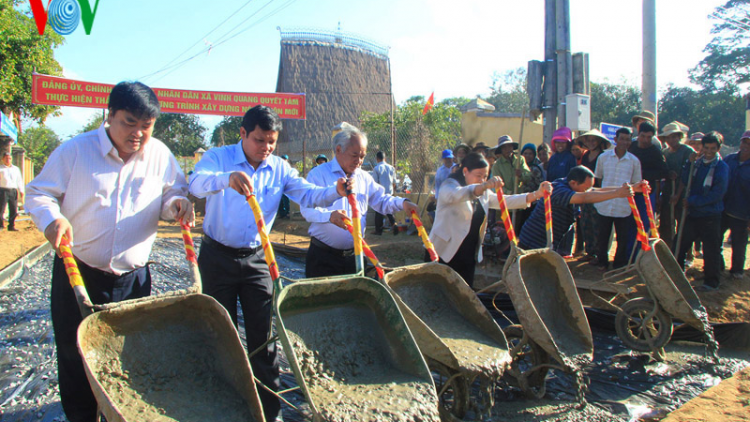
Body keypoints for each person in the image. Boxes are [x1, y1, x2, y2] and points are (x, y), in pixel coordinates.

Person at [25, 81, 195, 422]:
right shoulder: (75, 150)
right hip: (80, 275)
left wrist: (177, 204)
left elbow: (171, 193)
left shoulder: (160, 155)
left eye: (146, 126)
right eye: (129, 123)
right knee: (76, 358)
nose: (137, 134)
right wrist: (52, 220)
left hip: (133, 281)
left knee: (128, 357)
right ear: (110, 115)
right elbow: (39, 193)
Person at [189, 105, 351, 422]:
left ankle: (269, 411)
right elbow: (196, 183)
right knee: (220, 333)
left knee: (263, 337)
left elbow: (307, 194)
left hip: (257, 260)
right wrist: (226, 179)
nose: (266, 148)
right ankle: (224, 406)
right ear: (243, 134)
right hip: (217, 257)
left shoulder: (279, 168)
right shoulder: (219, 158)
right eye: (260, 140)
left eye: (271, 142)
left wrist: (334, 191)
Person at [300, 124, 417, 278]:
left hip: (355, 257)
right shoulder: (318, 174)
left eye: (362, 156)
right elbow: (306, 209)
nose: (359, 161)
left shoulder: (364, 177)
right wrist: (329, 216)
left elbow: (381, 200)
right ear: (338, 150)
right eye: (355, 155)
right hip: (323, 258)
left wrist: (403, 203)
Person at [429, 152, 550, 287]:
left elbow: (503, 201)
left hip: (468, 252)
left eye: (485, 176)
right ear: (465, 171)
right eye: (478, 176)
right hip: (443, 251)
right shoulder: (449, 186)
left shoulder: (483, 191)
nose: (482, 180)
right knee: (438, 292)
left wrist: (535, 195)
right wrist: (483, 186)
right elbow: (459, 194)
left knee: (464, 293)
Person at [518, 165, 637, 254]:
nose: (588, 190)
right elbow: (585, 197)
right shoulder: (557, 190)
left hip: (548, 242)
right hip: (532, 241)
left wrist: (631, 189)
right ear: (573, 183)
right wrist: (617, 194)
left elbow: (594, 191)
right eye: (585, 188)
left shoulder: (570, 185)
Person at [675, 132, 729, 291]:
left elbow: (717, 194)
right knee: (681, 243)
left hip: (710, 215)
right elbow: (685, 180)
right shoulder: (696, 164)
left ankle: (711, 282)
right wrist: (688, 164)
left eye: (713, 148)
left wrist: (692, 201)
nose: (709, 151)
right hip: (693, 214)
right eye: (706, 147)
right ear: (702, 147)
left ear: (718, 148)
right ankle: (677, 274)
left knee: (711, 250)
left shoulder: (721, 167)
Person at [593, 127, 643, 270]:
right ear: (615, 140)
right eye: (622, 139)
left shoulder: (634, 161)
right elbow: (598, 179)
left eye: (628, 139)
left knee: (622, 238)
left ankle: (619, 264)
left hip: (624, 206)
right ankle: (602, 261)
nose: (624, 142)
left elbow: (636, 183)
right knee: (602, 235)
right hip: (604, 203)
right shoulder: (603, 157)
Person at [628, 121, 667, 252]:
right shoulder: (631, 147)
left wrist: (643, 174)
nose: (646, 140)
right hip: (629, 192)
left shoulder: (655, 152)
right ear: (638, 135)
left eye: (649, 137)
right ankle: (628, 255)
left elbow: (663, 171)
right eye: (643, 136)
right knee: (628, 225)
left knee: (644, 225)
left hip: (646, 193)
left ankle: (642, 254)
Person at [575, 129, 610, 262]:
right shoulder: (585, 156)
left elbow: (602, 177)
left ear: (599, 141)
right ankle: (589, 251)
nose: (591, 143)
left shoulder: (603, 156)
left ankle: (598, 253)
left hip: (598, 193)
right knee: (586, 222)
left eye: (593, 140)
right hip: (585, 193)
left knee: (597, 224)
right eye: (588, 140)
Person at [658, 122, 694, 248]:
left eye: (674, 136)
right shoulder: (665, 153)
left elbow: (687, 174)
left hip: (683, 192)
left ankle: (684, 252)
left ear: (679, 137)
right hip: (668, 191)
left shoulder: (687, 151)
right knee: (666, 223)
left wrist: (678, 194)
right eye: (668, 137)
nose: (671, 140)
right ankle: (667, 250)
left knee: (683, 223)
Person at [720, 130, 750, 280]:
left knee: (739, 244)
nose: (746, 145)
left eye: (749, 143)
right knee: (715, 238)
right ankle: (717, 266)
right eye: (745, 141)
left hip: (742, 212)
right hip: (723, 208)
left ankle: (737, 271)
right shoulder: (729, 159)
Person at [517, 142, 545, 231]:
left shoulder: (535, 168)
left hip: (533, 201)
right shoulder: (519, 166)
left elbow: (539, 184)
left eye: (530, 154)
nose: (527, 156)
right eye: (525, 153)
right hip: (521, 199)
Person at [371, 150, 397, 235]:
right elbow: (394, 182)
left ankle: (378, 230)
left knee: (378, 211)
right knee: (388, 209)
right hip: (389, 192)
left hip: (380, 193)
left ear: (377, 159)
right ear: (384, 158)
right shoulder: (391, 168)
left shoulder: (376, 168)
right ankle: (394, 224)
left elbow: (375, 183)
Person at [0, 149, 24, 231]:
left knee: (13, 209)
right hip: (3, 190)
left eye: (9, 158)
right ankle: (1, 225)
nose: (8, 160)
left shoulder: (16, 169)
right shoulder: (1, 169)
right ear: (2, 159)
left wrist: (21, 190)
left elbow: (19, 180)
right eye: (6, 158)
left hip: (13, 191)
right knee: (1, 209)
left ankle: (11, 225)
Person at [277, 154, 291, 219]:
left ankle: (287, 213)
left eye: (285, 159)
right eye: (283, 159)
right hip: (279, 186)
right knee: (280, 200)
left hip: (286, 185)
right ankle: (281, 214)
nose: (284, 160)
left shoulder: (288, 167)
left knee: (286, 200)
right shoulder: (278, 167)